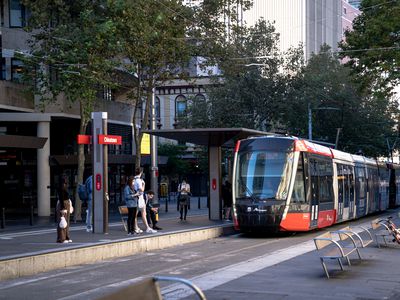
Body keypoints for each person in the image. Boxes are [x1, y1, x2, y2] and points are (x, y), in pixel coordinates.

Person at [134, 168, 157, 234]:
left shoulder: (134, 179)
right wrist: (143, 184)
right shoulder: (139, 180)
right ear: (141, 172)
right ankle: (145, 228)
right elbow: (141, 190)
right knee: (142, 213)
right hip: (139, 198)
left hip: (136, 198)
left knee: (138, 214)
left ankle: (137, 227)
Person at [56, 177, 73, 243]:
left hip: (66, 203)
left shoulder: (64, 187)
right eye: (65, 180)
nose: (66, 181)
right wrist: (63, 208)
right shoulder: (61, 188)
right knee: (62, 222)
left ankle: (66, 237)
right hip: (63, 204)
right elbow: (61, 198)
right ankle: (61, 238)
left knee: (66, 222)